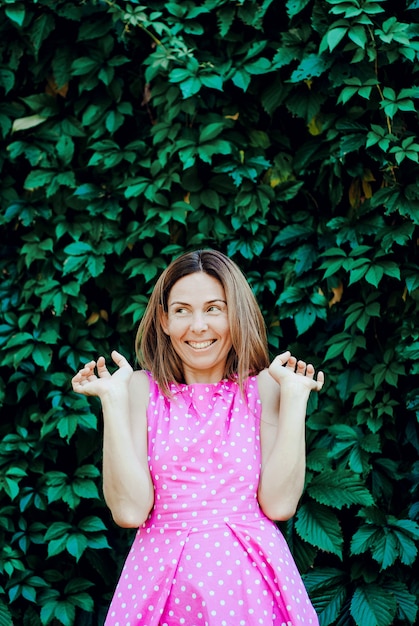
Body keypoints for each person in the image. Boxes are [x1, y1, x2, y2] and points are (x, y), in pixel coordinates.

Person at [72, 249, 324, 626]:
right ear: (164, 320)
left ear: (235, 315)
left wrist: (295, 397)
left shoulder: (265, 389)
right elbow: (129, 512)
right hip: (161, 586)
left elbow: (279, 504)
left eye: (214, 308)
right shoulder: (140, 390)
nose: (198, 326)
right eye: (182, 310)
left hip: (251, 587)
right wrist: (112, 398)